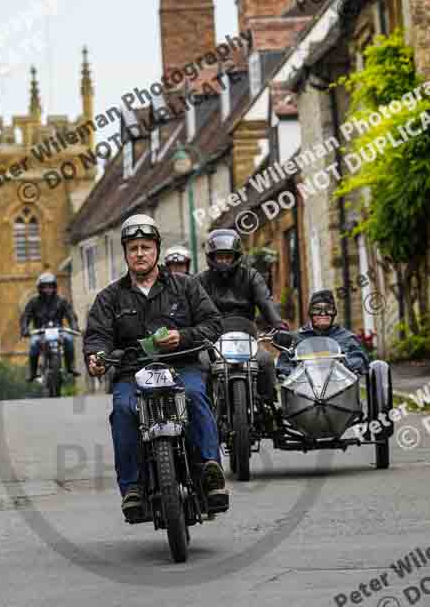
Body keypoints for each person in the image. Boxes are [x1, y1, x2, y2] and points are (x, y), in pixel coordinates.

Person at [84, 214, 228, 516]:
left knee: (195, 396)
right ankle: (133, 488)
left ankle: (209, 471)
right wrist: (96, 357)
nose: (139, 253)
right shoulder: (109, 298)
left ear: (156, 250)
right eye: (133, 248)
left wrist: (183, 337)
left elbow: (213, 323)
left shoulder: (186, 286)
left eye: (145, 247)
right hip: (131, 373)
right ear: (125, 253)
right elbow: (97, 335)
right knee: (123, 410)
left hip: (182, 366)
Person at [196, 229, 286, 403]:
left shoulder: (251, 276)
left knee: (266, 361)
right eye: (219, 256)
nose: (223, 261)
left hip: (247, 338)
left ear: (236, 256)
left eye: (227, 256)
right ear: (211, 257)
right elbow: (193, 309)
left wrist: (279, 325)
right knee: (202, 364)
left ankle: (267, 406)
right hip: (213, 340)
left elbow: (265, 301)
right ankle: (205, 410)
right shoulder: (201, 280)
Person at [277, 289, 369, 378]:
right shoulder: (296, 338)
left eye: (328, 309)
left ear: (334, 313)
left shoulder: (347, 337)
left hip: (340, 387)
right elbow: (283, 364)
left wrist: (346, 364)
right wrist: (291, 372)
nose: (322, 314)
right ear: (310, 313)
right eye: (317, 309)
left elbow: (360, 359)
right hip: (304, 388)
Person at [20, 272, 79, 381]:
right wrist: (24, 328)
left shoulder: (61, 300)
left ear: (54, 287)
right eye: (45, 287)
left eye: (50, 286)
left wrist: (74, 326)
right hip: (40, 331)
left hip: (59, 330)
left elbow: (70, 314)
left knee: (69, 340)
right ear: (40, 288)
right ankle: (32, 372)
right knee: (33, 345)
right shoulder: (33, 302)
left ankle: (70, 367)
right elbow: (26, 316)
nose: (48, 289)